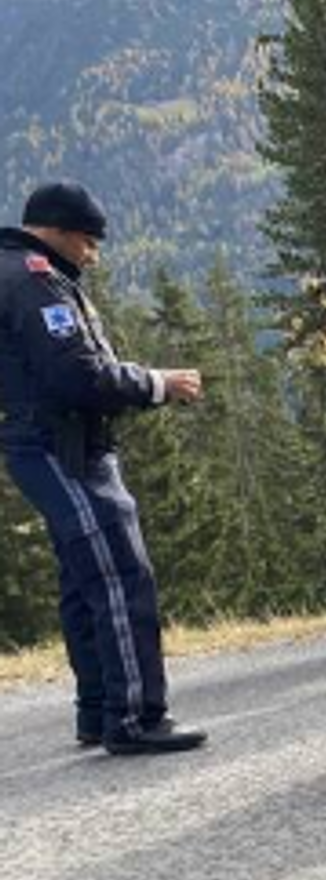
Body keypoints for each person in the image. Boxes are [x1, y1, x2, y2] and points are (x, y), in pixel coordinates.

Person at [1, 183, 209, 754]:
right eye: (88, 241)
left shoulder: (29, 274)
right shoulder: (33, 282)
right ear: (59, 231)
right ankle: (136, 717)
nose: (92, 254)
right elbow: (78, 377)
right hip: (65, 448)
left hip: (50, 445)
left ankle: (97, 709)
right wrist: (156, 384)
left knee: (84, 578)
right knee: (120, 574)